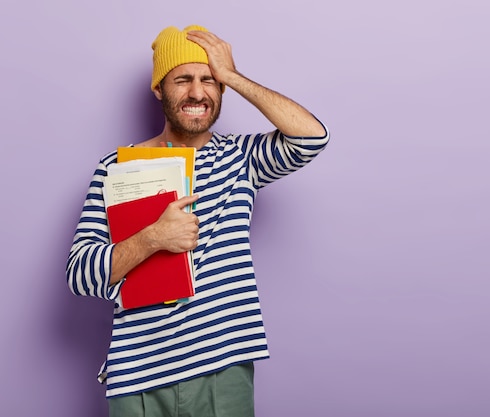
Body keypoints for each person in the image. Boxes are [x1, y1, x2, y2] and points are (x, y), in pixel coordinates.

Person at [66, 25, 329, 417]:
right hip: (136, 374)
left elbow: (311, 137)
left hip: (222, 370)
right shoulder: (116, 167)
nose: (196, 92)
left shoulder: (243, 158)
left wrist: (233, 76)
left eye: (209, 80)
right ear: (159, 89)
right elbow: (80, 275)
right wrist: (153, 238)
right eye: (182, 80)